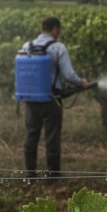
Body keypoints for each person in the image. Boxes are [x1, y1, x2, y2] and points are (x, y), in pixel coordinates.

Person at [20, 16, 89, 177]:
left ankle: (30, 174)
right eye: (58, 30)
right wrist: (81, 82)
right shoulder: (58, 47)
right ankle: (53, 176)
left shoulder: (27, 45)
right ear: (55, 29)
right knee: (52, 137)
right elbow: (68, 74)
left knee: (31, 134)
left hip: (30, 98)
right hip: (51, 100)